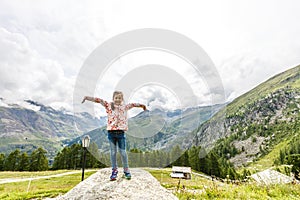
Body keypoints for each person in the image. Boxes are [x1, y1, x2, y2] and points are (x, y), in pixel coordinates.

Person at [82, 91, 146, 181]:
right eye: (116, 98)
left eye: (119, 98)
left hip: (121, 133)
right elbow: (98, 100)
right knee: (113, 153)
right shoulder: (109, 105)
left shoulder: (125, 107)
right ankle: (114, 171)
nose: (118, 100)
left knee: (123, 153)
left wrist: (142, 105)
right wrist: (87, 97)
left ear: (122, 99)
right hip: (111, 133)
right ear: (113, 98)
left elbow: (134, 104)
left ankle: (126, 171)